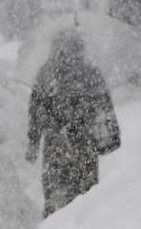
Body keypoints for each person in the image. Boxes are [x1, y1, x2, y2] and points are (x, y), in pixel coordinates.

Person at [26, 29, 116, 218]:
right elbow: (103, 110)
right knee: (86, 198)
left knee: (55, 197)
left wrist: (34, 142)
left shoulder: (46, 74)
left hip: (55, 147)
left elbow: (36, 112)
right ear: (81, 48)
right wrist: (109, 139)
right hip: (85, 146)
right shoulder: (91, 73)